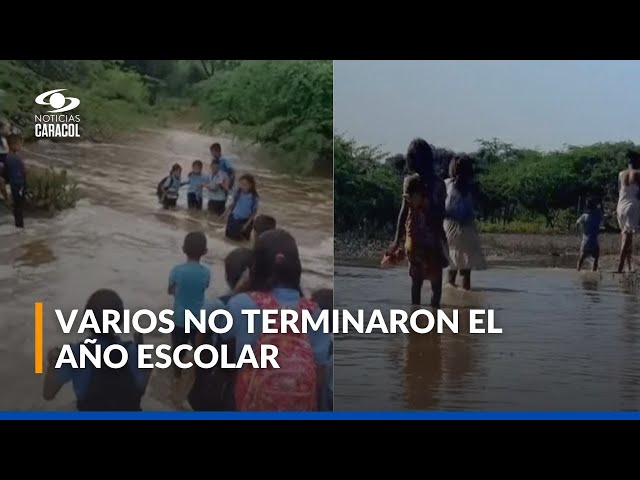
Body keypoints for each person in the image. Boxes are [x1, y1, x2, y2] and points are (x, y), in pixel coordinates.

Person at [225, 229, 332, 410]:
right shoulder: (314, 312)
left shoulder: (240, 304)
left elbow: (222, 341)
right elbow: (320, 372)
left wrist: (242, 285)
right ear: (296, 268)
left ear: (255, 267)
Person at [42, 289, 149, 411]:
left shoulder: (75, 354)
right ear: (121, 321)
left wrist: (52, 362)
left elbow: (48, 394)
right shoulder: (133, 352)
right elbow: (140, 391)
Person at [189, 247, 254, 411]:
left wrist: (197, 363)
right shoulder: (266, 305)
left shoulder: (217, 304)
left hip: (219, 372)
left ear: (226, 276)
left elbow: (200, 337)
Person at [389, 138, 449, 307]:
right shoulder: (439, 183)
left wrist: (396, 240)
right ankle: (434, 322)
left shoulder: (409, 182)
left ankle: (415, 322)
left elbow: (403, 213)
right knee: (436, 286)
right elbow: (441, 213)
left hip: (414, 240)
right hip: (433, 239)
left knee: (416, 283)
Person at [168, 231, 210, 381]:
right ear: (205, 252)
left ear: (183, 249)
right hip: (198, 320)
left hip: (179, 319)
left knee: (178, 350)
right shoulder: (206, 272)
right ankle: (197, 376)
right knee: (198, 350)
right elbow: (204, 288)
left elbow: (170, 291)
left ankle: (176, 376)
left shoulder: (176, 270)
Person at [444, 155, 486, 290]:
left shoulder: (446, 184)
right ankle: (466, 297)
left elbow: (443, 207)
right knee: (466, 271)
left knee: (452, 264)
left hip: (450, 228)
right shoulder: (472, 188)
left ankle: (452, 296)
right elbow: (476, 208)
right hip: (468, 229)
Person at [616, 150, 640, 273]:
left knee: (626, 237)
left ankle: (629, 266)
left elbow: (620, 190)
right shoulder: (638, 174)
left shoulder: (621, 174)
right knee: (627, 239)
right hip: (632, 207)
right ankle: (620, 267)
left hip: (620, 207)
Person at [0, 134, 27, 228]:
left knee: (17, 207)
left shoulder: (9, 157)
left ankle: (18, 227)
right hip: (18, 185)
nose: (21, 146)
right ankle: (20, 228)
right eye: (19, 144)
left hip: (15, 184)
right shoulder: (14, 158)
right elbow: (21, 173)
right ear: (12, 145)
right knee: (19, 208)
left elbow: (4, 173)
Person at [225, 174, 259, 241]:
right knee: (229, 238)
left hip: (245, 221)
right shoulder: (238, 193)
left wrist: (246, 224)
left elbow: (253, 213)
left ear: (251, 185)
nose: (242, 186)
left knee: (242, 240)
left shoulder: (254, 198)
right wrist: (225, 213)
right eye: (241, 184)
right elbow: (233, 204)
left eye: (245, 185)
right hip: (233, 219)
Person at [576, 197, 603, 272]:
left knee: (582, 257)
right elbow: (602, 218)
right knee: (596, 257)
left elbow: (577, 223)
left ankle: (578, 270)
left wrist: (580, 231)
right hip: (594, 240)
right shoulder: (597, 215)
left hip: (586, 240)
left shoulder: (584, 216)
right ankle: (593, 271)